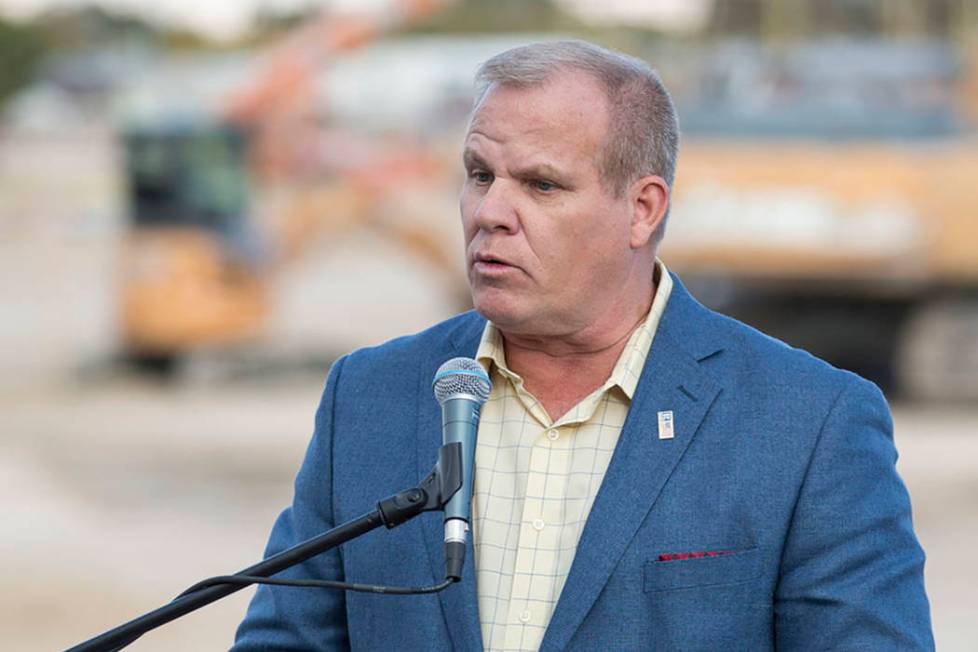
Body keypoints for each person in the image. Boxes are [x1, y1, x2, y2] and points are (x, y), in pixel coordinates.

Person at [233, 40, 933, 651]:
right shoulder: (370, 395)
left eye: (540, 184)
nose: (490, 214)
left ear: (643, 209)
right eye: (479, 175)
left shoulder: (808, 423)